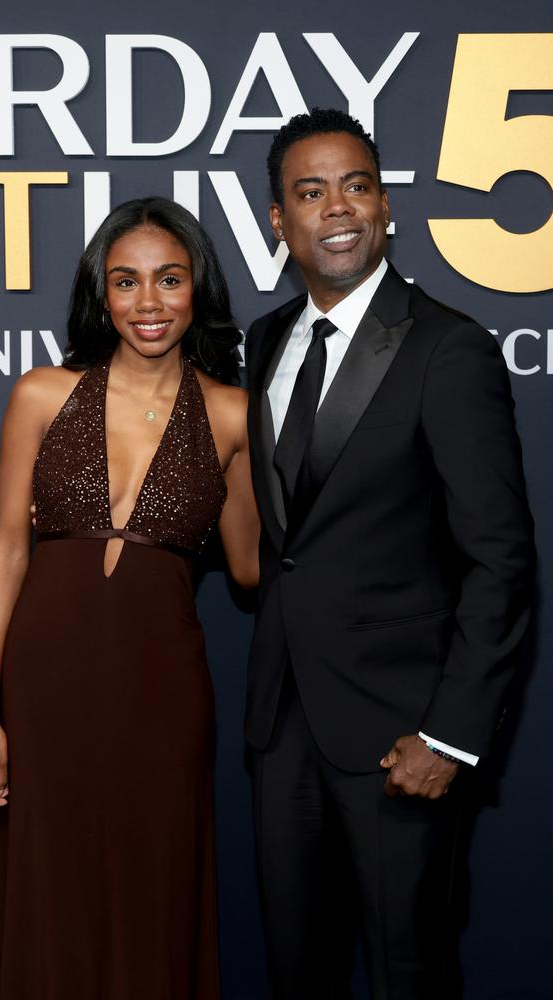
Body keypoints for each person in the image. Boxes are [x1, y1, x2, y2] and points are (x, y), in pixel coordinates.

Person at [244, 108, 535, 999]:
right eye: (310, 191)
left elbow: (502, 561)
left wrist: (449, 736)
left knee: (410, 973)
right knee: (300, 972)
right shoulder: (262, 343)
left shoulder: (449, 349)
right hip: (283, 724)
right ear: (277, 221)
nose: (338, 208)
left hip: (401, 736)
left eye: (357, 185)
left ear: (386, 206)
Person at [0, 197, 259, 1000]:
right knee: (52, 893)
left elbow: (250, 569)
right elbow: (7, 548)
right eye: (126, 283)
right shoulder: (42, 395)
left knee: (154, 891)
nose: (149, 303)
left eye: (169, 279)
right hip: (46, 685)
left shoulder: (234, 414)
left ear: (197, 288)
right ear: (102, 295)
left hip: (162, 689)